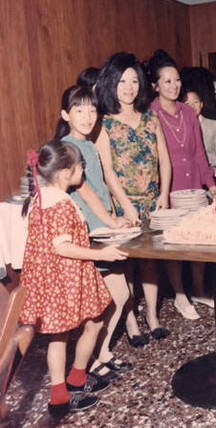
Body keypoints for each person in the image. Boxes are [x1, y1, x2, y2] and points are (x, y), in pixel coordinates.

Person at [20, 140, 127, 416]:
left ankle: (76, 378)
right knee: (62, 336)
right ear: (67, 171)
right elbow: (61, 246)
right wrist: (102, 255)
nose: (84, 169)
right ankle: (59, 397)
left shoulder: (50, 197)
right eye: (81, 166)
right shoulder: (58, 205)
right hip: (61, 279)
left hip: (69, 274)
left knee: (93, 322)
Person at [54, 85, 134, 378]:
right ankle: (91, 361)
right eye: (79, 110)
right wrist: (111, 222)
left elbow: (100, 187)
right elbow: (85, 191)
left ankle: (101, 353)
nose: (88, 116)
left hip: (101, 227)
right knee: (100, 304)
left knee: (120, 293)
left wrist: (114, 215)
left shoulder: (88, 143)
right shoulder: (67, 146)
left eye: (92, 110)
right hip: (87, 233)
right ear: (66, 114)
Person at [95, 52, 171, 345]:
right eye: (122, 81)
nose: (129, 87)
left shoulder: (150, 116)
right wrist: (126, 205)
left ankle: (152, 316)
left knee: (151, 262)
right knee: (126, 265)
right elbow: (109, 172)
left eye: (134, 80)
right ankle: (130, 321)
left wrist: (164, 194)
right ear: (111, 83)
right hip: (123, 207)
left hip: (153, 202)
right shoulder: (104, 123)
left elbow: (164, 159)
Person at [144, 49, 216, 320]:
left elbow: (199, 152)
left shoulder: (189, 112)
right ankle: (179, 295)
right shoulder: (149, 114)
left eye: (177, 80)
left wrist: (210, 184)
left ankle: (198, 289)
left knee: (199, 243)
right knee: (174, 247)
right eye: (167, 81)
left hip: (194, 189)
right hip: (171, 190)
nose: (174, 85)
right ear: (155, 85)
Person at [182, 90, 216, 170]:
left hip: (213, 171)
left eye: (195, 102)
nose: (192, 106)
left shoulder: (214, 125)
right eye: (187, 103)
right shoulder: (178, 128)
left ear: (201, 104)